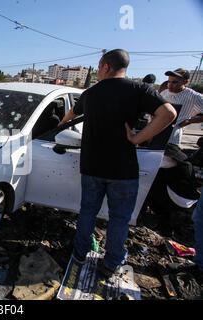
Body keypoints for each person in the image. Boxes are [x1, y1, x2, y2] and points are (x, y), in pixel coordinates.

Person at [60, 49, 177, 277]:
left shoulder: (90, 94)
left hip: (92, 167)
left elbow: (68, 117)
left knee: (87, 213)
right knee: (119, 219)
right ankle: (111, 263)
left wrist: (59, 126)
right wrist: (137, 138)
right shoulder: (139, 90)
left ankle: (80, 253)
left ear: (105, 66)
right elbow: (168, 113)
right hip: (123, 170)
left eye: (98, 67)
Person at [160, 68, 203, 147]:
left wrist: (189, 120)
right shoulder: (164, 93)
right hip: (155, 133)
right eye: (169, 81)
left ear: (185, 82)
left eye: (174, 82)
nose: (170, 85)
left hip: (172, 139)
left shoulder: (194, 96)